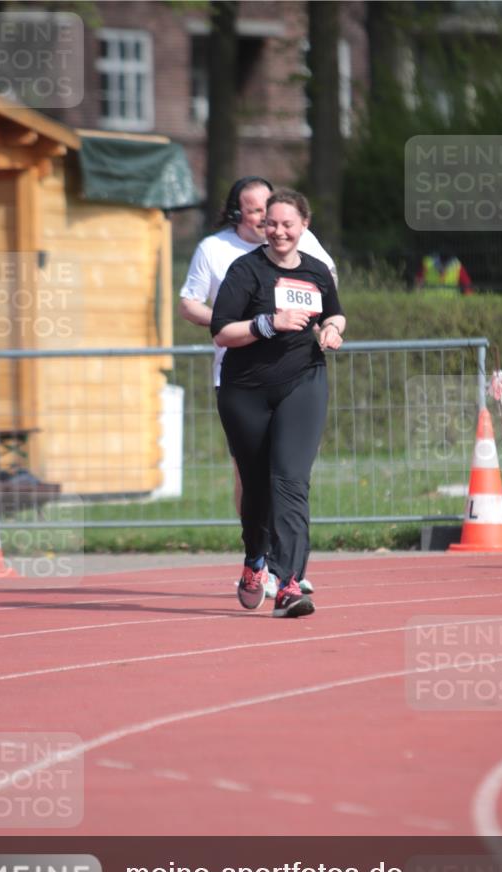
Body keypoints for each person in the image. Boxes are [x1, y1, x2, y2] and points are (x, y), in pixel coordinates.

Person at [179, 176, 336, 598]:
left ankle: (287, 581)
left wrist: (331, 328)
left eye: (286, 221)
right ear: (251, 219)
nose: (277, 229)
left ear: (303, 223)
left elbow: (331, 306)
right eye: (266, 219)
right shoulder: (233, 262)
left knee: (290, 478)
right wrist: (263, 323)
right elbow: (213, 324)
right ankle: (256, 559)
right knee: (254, 481)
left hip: (301, 378)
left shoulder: (314, 262)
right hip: (243, 383)